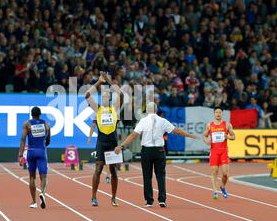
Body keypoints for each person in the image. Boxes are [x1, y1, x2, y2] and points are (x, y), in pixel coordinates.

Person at [114, 102, 200, 207]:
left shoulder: (143, 121)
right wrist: (190, 135)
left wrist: (121, 146)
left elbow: (133, 135)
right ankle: (162, 200)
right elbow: (177, 131)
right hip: (159, 151)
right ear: (156, 110)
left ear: (147, 110)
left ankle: (149, 201)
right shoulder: (163, 121)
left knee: (147, 177)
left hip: (147, 151)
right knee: (160, 176)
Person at [85, 71, 123, 207]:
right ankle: (93, 197)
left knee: (113, 171)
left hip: (112, 142)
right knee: (98, 169)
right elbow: (87, 95)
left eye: (107, 96)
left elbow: (122, 94)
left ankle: (113, 198)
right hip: (101, 142)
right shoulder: (98, 109)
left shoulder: (115, 108)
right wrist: (100, 82)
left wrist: (109, 81)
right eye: (103, 96)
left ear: (110, 99)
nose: (104, 98)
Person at [18, 106, 51, 209]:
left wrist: (20, 155)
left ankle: (33, 202)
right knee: (44, 177)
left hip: (31, 152)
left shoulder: (27, 124)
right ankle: (43, 194)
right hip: (41, 151)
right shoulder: (46, 124)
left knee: (32, 177)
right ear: (40, 114)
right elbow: (48, 141)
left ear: (31, 114)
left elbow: (23, 140)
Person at [202, 106, 236, 199]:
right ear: (214, 114)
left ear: (222, 114)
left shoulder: (227, 125)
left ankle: (222, 186)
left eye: (219, 112)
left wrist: (227, 137)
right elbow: (204, 136)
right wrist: (206, 141)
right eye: (216, 112)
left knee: (225, 174)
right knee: (214, 172)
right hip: (214, 151)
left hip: (224, 150)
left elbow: (234, 137)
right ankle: (215, 191)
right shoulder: (210, 125)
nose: (218, 114)